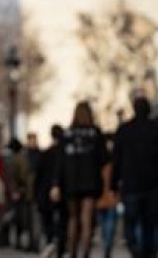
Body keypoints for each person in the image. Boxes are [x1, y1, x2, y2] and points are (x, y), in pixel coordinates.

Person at [111, 96, 158, 258]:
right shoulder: (157, 130)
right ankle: (147, 250)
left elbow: (116, 159)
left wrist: (113, 184)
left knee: (131, 219)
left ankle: (134, 246)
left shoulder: (124, 130)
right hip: (152, 183)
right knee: (149, 221)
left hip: (130, 183)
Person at [51, 101, 105, 258]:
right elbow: (103, 158)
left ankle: (72, 252)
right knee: (87, 219)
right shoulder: (95, 133)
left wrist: (56, 183)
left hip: (70, 182)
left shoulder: (67, 134)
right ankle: (85, 253)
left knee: (73, 218)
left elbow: (59, 161)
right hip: (90, 182)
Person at [35, 125, 67, 258]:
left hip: (45, 191)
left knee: (48, 220)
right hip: (63, 192)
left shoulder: (46, 153)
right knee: (62, 220)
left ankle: (50, 241)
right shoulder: (66, 154)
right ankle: (60, 246)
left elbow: (38, 174)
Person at [96, 133, 118, 258]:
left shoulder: (96, 161)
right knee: (110, 222)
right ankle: (107, 245)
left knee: (104, 223)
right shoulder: (114, 162)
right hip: (111, 194)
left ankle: (106, 243)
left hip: (99, 195)